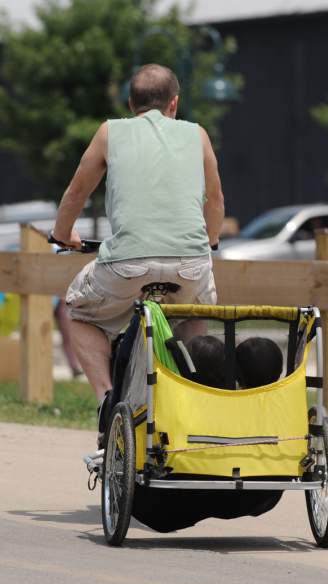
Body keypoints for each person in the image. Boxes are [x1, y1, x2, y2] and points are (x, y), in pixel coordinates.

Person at [51, 63, 224, 437]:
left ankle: (106, 400)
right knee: (193, 312)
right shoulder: (198, 135)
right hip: (190, 265)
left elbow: (77, 191)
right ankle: (190, 397)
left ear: (131, 104)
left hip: (127, 265)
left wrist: (62, 233)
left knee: (79, 311)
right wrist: (209, 241)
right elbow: (215, 199)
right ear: (174, 103)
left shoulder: (110, 132)